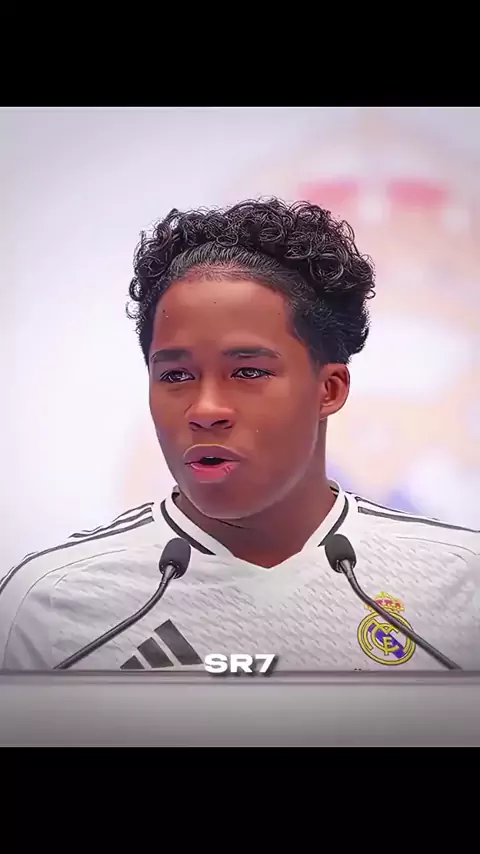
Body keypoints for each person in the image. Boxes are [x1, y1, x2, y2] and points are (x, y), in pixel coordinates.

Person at [1, 198, 478, 672]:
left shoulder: (462, 582)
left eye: (248, 372)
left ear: (329, 390)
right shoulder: (50, 604)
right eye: (175, 376)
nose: (205, 411)